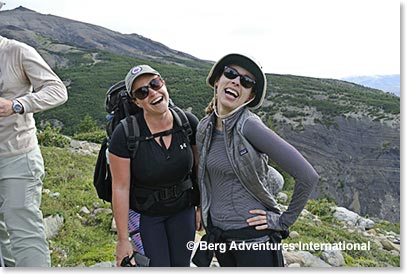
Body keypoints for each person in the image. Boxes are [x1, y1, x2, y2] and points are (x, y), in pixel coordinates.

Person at [193, 53, 320, 267]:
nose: (236, 81)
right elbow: (206, 178)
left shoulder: (249, 126)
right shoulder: (204, 127)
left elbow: (307, 176)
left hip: (254, 242)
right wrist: (201, 209)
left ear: (250, 96)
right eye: (231, 73)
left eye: (246, 81)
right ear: (217, 80)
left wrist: (282, 221)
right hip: (221, 239)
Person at [109, 65, 200, 267]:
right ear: (136, 102)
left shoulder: (187, 123)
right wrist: (123, 240)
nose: (152, 92)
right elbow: (120, 187)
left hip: (183, 210)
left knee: (181, 265)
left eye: (155, 84)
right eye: (142, 92)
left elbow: (199, 171)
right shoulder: (125, 134)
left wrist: (201, 206)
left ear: (163, 84)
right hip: (147, 216)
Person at [0, 35, 68, 267]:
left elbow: (58, 90)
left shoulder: (17, 52)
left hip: (17, 155)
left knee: (23, 228)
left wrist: (17, 105)